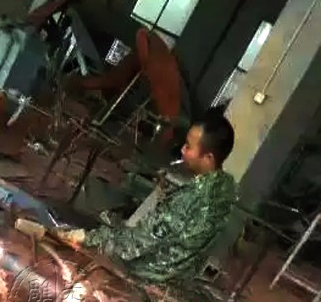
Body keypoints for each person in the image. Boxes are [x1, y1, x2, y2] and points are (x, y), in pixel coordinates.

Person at [58, 109, 238, 285]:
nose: (183, 150)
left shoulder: (192, 198)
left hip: (149, 273)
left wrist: (89, 238)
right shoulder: (225, 189)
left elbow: (139, 241)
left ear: (208, 158)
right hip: (180, 274)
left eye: (189, 147)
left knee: (69, 255)